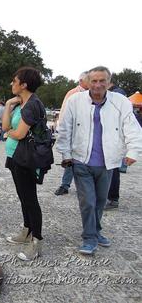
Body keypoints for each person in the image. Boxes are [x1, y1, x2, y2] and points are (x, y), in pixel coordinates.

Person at [56, 66, 142, 255]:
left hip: (107, 162)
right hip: (81, 160)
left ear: (109, 83)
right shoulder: (75, 101)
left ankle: (96, 230)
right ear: (87, 82)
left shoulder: (120, 102)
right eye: (94, 81)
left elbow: (131, 126)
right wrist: (66, 154)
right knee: (88, 201)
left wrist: (133, 151)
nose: (98, 84)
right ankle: (89, 238)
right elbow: (65, 128)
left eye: (102, 80)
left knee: (101, 201)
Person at [2, 67, 46, 261]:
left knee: (30, 199)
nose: (12, 83)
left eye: (15, 80)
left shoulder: (32, 105)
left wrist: (9, 133)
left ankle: (36, 241)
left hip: (26, 158)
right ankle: (26, 231)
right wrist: (10, 104)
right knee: (23, 196)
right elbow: (4, 126)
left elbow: (18, 133)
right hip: (15, 156)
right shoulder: (21, 104)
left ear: (24, 84)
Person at [55, 71, 89, 196]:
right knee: (70, 159)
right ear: (81, 81)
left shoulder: (88, 93)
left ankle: (75, 186)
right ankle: (65, 185)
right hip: (73, 131)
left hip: (82, 132)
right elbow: (65, 114)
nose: (91, 83)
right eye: (89, 80)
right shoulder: (75, 93)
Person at [103, 81, 127, 210]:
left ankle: (112, 199)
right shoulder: (117, 93)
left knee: (112, 170)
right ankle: (110, 197)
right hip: (112, 137)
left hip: (114, 138)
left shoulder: (116, 95)